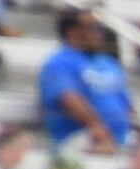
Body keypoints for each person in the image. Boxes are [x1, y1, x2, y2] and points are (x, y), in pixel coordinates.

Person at [36, 4, 130, 154]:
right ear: (71, 31)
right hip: (80, 136)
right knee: (107, 152)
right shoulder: (59, 62)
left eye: (100, 27)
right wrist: (96, 126)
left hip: (120, 136)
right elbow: (67, 97)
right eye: (93, 27)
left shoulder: (108, 63)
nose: (99, 33)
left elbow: (126, 106)